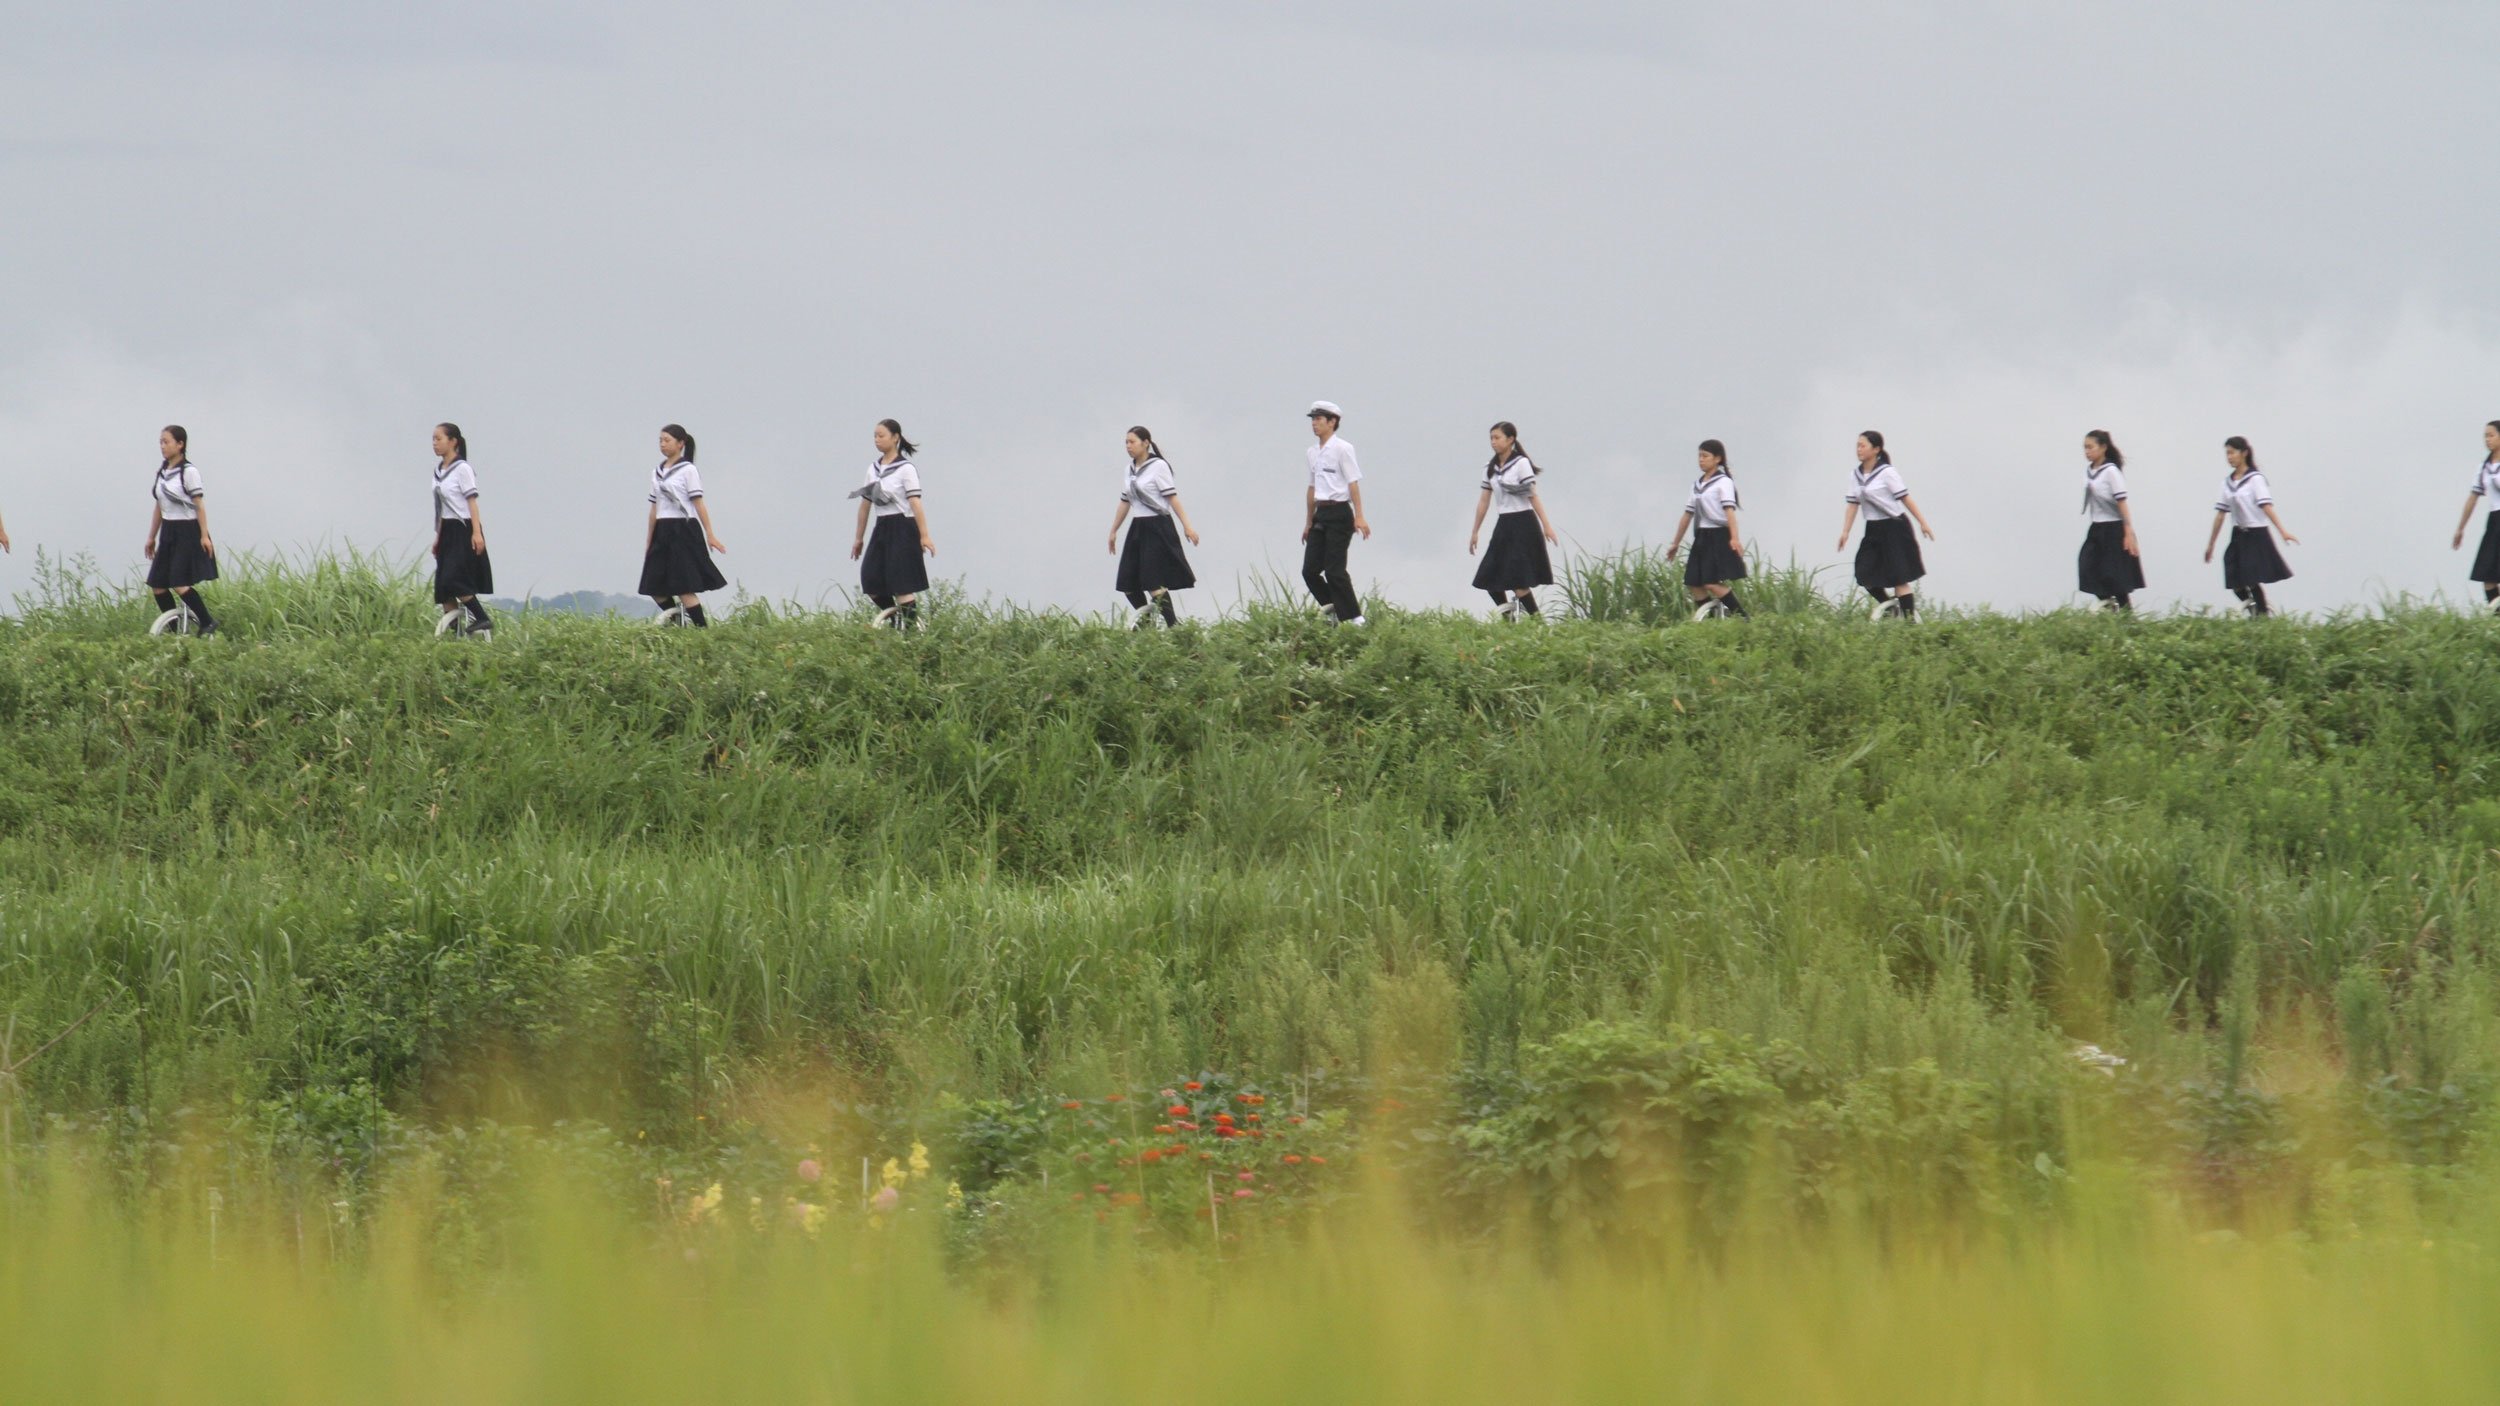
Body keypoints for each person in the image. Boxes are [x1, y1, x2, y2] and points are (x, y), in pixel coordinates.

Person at [1834, 430, 1936, 618]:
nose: (1858, 449)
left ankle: (1910, 623)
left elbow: (1905, 498)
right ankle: (1889, 608)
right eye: (1857, 445)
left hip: (1895, 527)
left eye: (1863, 446)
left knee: (1899, 576)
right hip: (1873, 528)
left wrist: (1923, 523)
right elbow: (1852, 505)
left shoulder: (1887, 473)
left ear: (1876, 449)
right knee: (1864, 574)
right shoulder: (1855, 475)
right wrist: (1845, 532)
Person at [1107, 426, 1200, 627]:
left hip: (1157, 526)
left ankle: (1174, 626)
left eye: (1132, 442)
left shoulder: (1158, 466)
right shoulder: (1129, 470)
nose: (1128, 446)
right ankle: (1146, 621)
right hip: (1137, 527)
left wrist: (1187, 526)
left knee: (1153, 581)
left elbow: (1172, 498)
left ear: (1146, 442)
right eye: (1126, 442)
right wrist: (1114, 530)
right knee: (1127, 582)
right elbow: (1125, 502)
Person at [1466, 421, 1558, 619]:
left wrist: (1547, 526)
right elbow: (1484, 501)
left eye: (1497, 438)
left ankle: (1536, 622)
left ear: (1510, 440)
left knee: (1518, 582)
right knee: (1489, 577)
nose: (1493, 442)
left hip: (1523, 523)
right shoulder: (1489, 468)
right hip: (1504, 524)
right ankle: (1508, 618)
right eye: (1491, 438)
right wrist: (1475, 531)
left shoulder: (1521, 464)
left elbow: (1532, 496)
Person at [849, 418, 936, 629]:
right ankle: (896, 621)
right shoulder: (873, 469)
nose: (877, 440)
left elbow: (915, 503)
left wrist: (924, 535)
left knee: (902, 583)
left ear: (895, 438)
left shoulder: (906, 469)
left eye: (881, 436)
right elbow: (865, 506)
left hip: (903, 527)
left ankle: (910, 633)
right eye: (875, 436)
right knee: (871, 580)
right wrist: (858, 538)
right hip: (882, 527)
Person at [638, 424, 728, 625]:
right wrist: (649, 539)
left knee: (683, 585)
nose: (662, 444)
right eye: (660, 440)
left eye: (667, 440)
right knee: (653, 585)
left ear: (680, 444)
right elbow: (654, 509)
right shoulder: (656, 472)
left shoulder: (688, 470)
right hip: (662, 529)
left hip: (683, 529)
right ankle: (676, 620)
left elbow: (698, 504)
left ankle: (701, 630)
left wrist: (710, 534)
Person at [2203, 435, 2297, 616]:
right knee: (2232, 571)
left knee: (2251, 577)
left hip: (2256, 534)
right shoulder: (2227, 483)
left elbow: (2266, 507)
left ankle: (2262, 615)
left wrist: (2282, 531)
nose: (2229, 457)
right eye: (2227, 454)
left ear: (2244, 453)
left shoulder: (2255, 479)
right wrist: (2211, 544)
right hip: (2238, 534)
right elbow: (2220, 515)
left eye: (2232, 453)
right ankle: (2251, 605)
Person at [144, 425, 218, 634]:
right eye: (161, 442)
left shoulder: (189, 472)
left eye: (166, 442)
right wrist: (152, 537)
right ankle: (173, 629)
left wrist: (204, 536)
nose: (162, 446)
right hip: (168, 531)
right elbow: (159, 506)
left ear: (180, 444)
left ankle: (206, 621)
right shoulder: (163, 472)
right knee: (158, 584)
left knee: (179, 582)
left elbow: (199, 505)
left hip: (187, 531)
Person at [1301, 401, 1370, 626]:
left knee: (1334, 570)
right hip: (1321, 512)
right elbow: (1312, 488)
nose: (1315, 424)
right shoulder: (1312, 452)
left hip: (1340, 512)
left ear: (1332, 422)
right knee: (1310, 571)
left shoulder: (1343, 449)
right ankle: (1334, 609)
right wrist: (1308, 520)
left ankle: (1355, 619)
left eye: (1319, 419)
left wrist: (1359, 516)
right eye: (1313, 419)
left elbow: (1353, 483)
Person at [1665, 439, 1748, 618]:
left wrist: (1734, 538)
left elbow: (1729, 512)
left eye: (1705, 456)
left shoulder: (1723, 482)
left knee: (1710, 582)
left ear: (1717, 459)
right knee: (1693, 581)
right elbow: (1687, 515)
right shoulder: (1697, 485)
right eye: (1699, 456)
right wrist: (1675, 543)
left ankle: (1742, 617)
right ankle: (1710, 620)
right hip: (1702, 536)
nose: (1701, 460)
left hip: (1719, 535)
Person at [430, 423, 493, 638]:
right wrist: (438, 537)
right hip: (446, 529)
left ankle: (482, 617)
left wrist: (476, 533)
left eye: (439, 439)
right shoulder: (438, 471)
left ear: (453, 441)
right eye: (434, 439)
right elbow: (440, 508)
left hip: (463, 528)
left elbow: (471, 503)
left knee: (455, 579)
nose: (435, 444)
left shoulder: (463, 469)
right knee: (443, 586)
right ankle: (454, 635)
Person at [2076, 429, 2144, 612]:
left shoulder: (2111, 472)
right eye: (2085, 448)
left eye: (2091, 447)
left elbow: (2122, 502)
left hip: (2114, 528)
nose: (2087, 451)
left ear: (2103, 447)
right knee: (2087, 566)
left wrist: (2128, 531)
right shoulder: (2089, 471)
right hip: (2096, 527)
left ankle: (2127, 617)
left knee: (2115, 577)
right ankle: (2108, 603)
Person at [2449, 420, 2500, 614]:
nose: (2487, 440)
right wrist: (2460, 528)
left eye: (2491, 435)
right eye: (2485, 436)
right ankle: (2497, 619)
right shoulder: (2484, 468)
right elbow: (2472, 498)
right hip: (2495, 521)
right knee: (2488, 574)